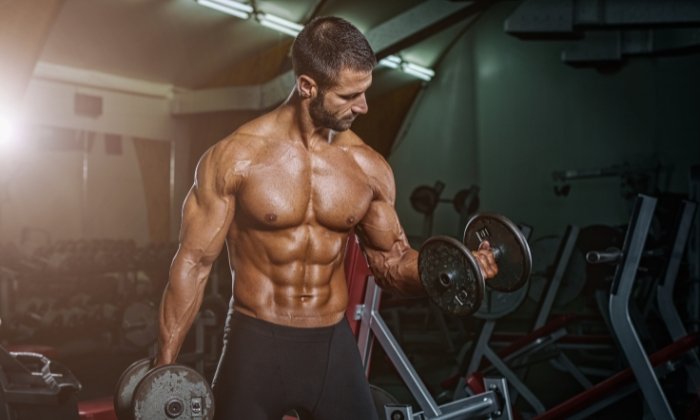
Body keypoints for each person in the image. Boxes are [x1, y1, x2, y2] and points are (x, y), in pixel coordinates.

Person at [153, 16, 498, 420]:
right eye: (350, 96)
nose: (364, 107)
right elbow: (194, 263)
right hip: (256, 343)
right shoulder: (235, 158)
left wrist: (457, 268)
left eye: (366, 92)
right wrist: (162, 370)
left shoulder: (367, 168)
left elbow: (391, 264)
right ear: (307, 87)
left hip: (332, 347)